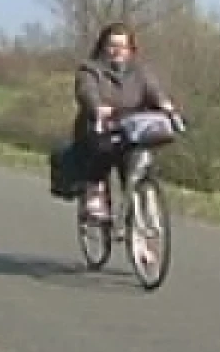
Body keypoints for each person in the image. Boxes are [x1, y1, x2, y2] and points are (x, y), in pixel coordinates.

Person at [72, 21, 178, 221]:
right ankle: (95, 192)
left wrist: (165, 105)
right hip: (100, 128)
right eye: (112, 45)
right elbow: (86, 91)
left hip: (131, 129)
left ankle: (137, 216)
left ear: (130, 49)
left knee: (137, 164)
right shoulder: (90, 69)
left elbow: (153, 90)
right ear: (103, 46)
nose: (117, 51)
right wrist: (97, 107)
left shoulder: (140, 71)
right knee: (102, 150)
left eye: (122, 46)